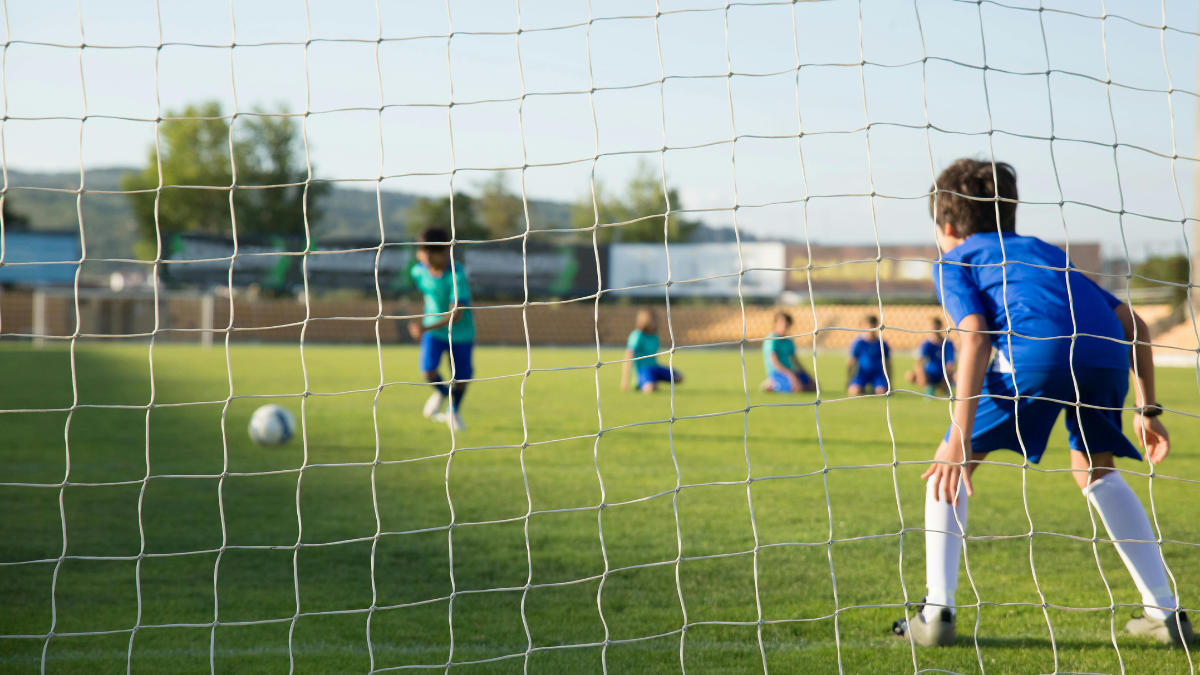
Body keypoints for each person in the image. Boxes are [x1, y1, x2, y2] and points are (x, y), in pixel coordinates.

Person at [892, 158, 1189, 647]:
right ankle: (1165, 611)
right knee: (1097, 470)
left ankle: (937, 609)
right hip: (1103, 353)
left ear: (946, 227)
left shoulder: (954, 259)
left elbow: (973, 334)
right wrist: (1148, 409)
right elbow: (1134, 323)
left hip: (1040, 354)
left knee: (949, 464)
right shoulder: (1046, 253)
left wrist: (957, 438)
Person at [408, 226, 473, 432]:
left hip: (460, 333)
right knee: (428, 371)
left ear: (443, 251)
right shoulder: (418, 271)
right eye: (421, 252)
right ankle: (443, 393)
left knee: (461, 379)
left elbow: (457, 313)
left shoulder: (456, 274)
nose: (422, 257)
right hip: (435, 332)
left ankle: (453, 411)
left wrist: (425, 326)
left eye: (427, 253)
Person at [620, 309, 683, 393]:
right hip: (642, 369)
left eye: (655, 319)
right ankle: (639, 382)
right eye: (651, 320)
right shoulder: (637, 335)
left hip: (655, 367)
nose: (654, 322)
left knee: (679, 378)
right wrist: (625, 380)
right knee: (650, 389)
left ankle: (653, 379)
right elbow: (628, 356)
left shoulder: (655, 336)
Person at [761, 311, 816, 393]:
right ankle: (771, 384)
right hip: (777, 372)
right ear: (775, 323)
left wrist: (808, 375)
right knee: (797, 389)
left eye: (787, 322)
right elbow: (774, 362)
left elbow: (795, 360)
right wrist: (791, 376)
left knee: (813, 387)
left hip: (791, 371)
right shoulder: (772, 339)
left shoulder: (789, 340)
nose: (784, 325)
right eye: (781, 322)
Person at [905, 317, 956, 396]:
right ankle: (928, 387)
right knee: (910, 375)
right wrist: (921, 374)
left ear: (940, 326)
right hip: (929, 374)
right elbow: (918, 362)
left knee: (958, 376)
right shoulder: (926, 344)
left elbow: (950, 364)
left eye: (934, 325)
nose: (932, 328)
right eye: (930, 326)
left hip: (943, 374)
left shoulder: (948, 343)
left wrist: (946, 377)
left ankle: (946, 387)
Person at [847, 315, 891, 395]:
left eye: (871, 326)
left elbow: (888, 363)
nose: (869, 329)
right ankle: (861, 387)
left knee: (881, 392)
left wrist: (890, 382)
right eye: (866, 325)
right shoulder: (858, 343)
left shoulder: (882, 343)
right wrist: (849, 379)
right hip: (862, 373)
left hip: (877, 374)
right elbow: (851, 361)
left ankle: (875, 387)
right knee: (854, 392)